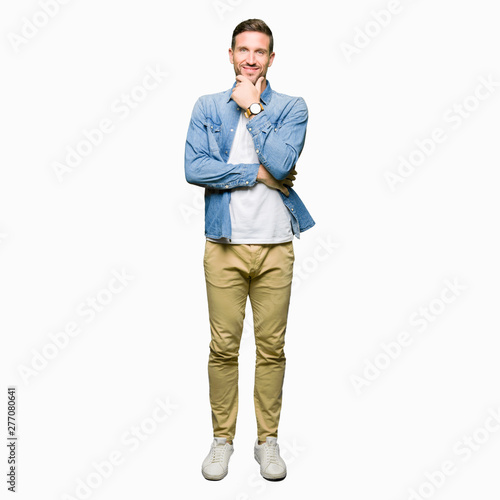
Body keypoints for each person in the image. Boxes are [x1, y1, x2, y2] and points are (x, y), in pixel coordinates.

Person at [184, 18, 315, 481]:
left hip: (277, 245)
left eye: (260, 51)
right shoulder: (206, 107)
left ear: (271, 59)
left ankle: (267, 441)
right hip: (223, 246)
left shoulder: (292, 107)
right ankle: (222, 440)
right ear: (231, 54)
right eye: (243, 50)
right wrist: (256, 175)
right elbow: (194, 168)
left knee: (271, 349)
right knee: (223, 348)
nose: (251, 58)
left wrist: (254, 108)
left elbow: (283, 161)